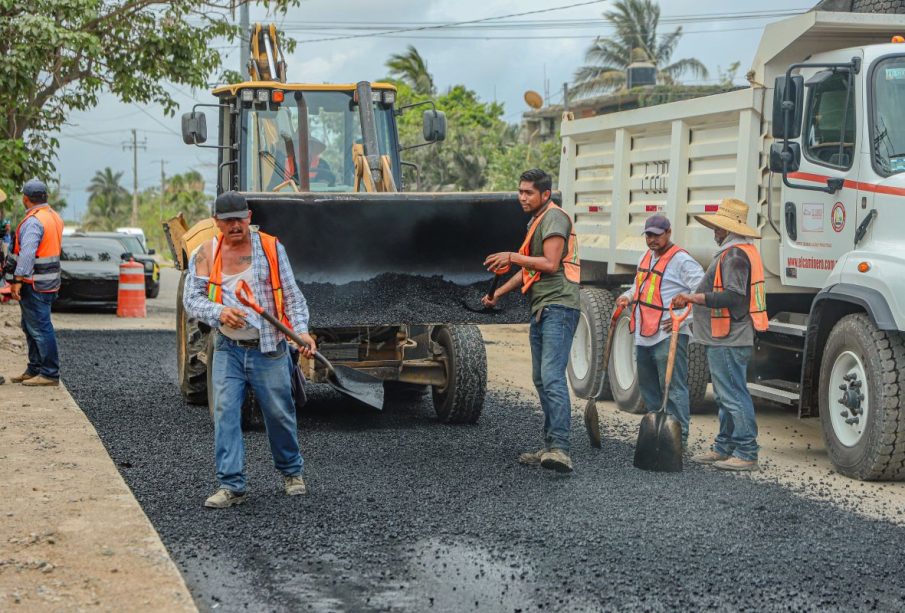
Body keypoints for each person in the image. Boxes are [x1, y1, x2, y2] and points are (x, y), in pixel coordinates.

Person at [183, 191, 317, 508]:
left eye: (239, 219)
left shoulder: (270, 249)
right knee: (225, 413)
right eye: (227, 221)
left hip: (268, 348)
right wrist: (219, 312)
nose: (234, 226)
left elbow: (293, 296)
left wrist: (301, 332)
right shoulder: (205, 254)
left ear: (249, 218)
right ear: (216, 222)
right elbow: (191, 300)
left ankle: (291, 472)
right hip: (228, 348)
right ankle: (231, 486)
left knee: (278, 413)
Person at [483, 168, 581, 473]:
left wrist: (512, 256)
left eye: (528, 192)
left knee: (551, 376)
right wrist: (498, 293)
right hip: (543, 307)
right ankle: (551, 444)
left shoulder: (554, 218)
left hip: (559, 306)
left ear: (545, 194)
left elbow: (550, 264)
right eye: (520, 191)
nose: (522, 197)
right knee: (541, 378)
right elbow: (531, 271)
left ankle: (561, 449)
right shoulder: (537, 221)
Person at [672, 198, 768, 472]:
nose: (714, 232)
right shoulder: (739, 252)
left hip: (728, 336)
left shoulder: (735, 257)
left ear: (729, 230)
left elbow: (733, 297)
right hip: (728, 335)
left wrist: (693, 297)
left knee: (732, 395)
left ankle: (747, 451)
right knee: (727, 395)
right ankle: (724, 448)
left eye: (718, 228)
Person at [615, 215, 704, 448]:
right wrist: (627, 296)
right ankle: (658, 431)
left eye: (657, 234)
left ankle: (679, 437)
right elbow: (640, 285)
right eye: (649, 235)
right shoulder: (645, 257)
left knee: (673, 387)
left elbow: (701, 291)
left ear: (669, 232)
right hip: (644, 332)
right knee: (647, 385)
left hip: (669, 334)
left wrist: (687, 319)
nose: (652, 239)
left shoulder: (682, 260)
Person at [3, 180, 64, 387]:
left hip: (34, 282)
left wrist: (17, 280)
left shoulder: (33, 221)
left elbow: (27, 255)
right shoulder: (54, 217)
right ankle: (35, 368)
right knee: (31, 326)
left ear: (25, 198)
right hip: (50, 282)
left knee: (40, 327)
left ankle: (49, 372)